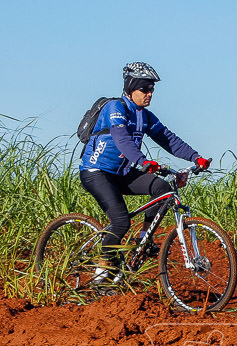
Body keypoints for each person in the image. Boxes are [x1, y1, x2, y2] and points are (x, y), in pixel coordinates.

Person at [79, 62, 210, 276]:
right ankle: (100, 275)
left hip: (121, 173)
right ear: (131, 88)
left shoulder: (144, 116)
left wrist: (196, 157)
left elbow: (168, 138)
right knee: (121, 221)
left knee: (163, 189)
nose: (149, 94)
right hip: (96, 172)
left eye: (152, 90)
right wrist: (142, 161)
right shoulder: (116, 108)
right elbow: (121, 138)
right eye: (145, 89)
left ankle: (143, 241)